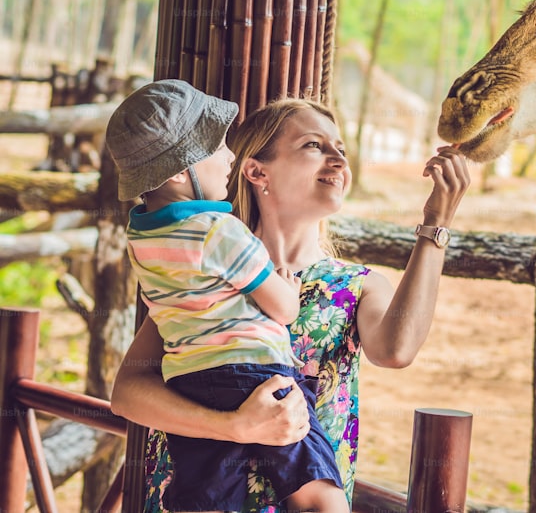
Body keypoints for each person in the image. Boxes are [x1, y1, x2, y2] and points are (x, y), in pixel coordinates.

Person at [110, 96, 471, 512]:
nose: (338, 160)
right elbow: (129, 393)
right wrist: (234, 427)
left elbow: (396, 350)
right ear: (256, 171)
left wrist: (436, 224)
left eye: (341, 149)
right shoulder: (202, 273)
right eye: (314, 146)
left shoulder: (355, 286)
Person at [105, 81, 348, 513]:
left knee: (207, 499)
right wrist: (288, 291)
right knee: (321, 494)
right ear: (180, 172)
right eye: (216, 145)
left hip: (190, 382)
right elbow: (284, 307)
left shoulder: (141, 238)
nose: (230, 155)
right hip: (255, 376)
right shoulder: (219, 232)